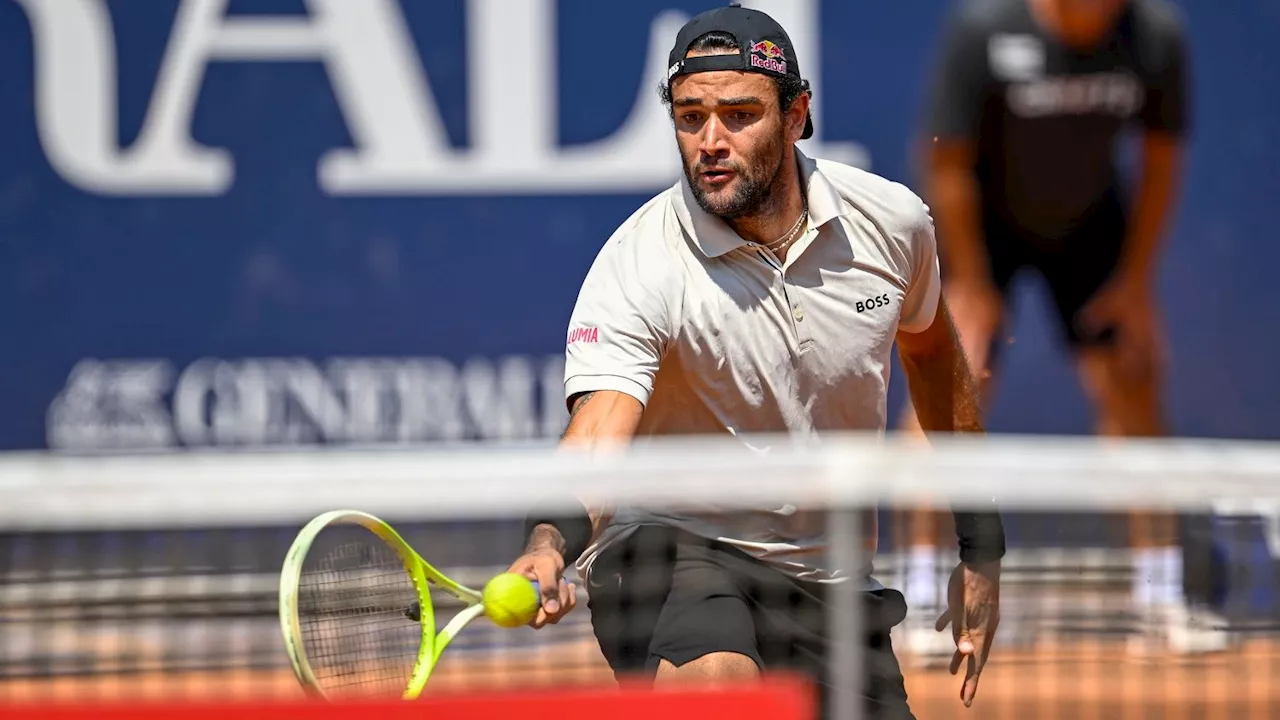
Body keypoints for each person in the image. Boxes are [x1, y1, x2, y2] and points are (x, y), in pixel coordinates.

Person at [503, 5, 1007, 718]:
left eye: (739, 115)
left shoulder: (892, 227)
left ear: (798, 114)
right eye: (690, 117)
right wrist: (550, 543)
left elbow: (931, 357)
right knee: (721, 689)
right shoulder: (638, 265)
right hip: (671, 553)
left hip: (827, 576)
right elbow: (597, 436)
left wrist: (981, 547)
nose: (710, 141)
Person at [898, 0, 1218, 657]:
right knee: (949, 388)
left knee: (1132, 381)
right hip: (982, 224)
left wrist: (1134, 281)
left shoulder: (1155, 36)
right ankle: (923, 595)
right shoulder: (983, 28)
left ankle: (1161, 599)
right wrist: (972, 287)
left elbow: (1161, 158)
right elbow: (947, 161)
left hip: (1090, 230)